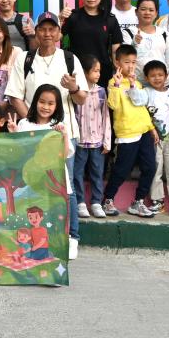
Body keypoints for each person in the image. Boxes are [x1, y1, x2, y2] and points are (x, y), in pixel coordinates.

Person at [15, 84, 77, 258]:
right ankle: (32, 250)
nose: (45, 107)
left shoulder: (58, 126)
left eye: (51, 103)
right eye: (42, 102)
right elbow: (20, 151)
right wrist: (13, 134)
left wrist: (64, 135)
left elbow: (64, 154)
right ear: (35, 102)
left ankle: (61, 248)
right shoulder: (24, 124)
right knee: (33, 214)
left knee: (54, 216)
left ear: (57, 106)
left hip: (54, 181)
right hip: (33, 181)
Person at [101, 46, 159, 219]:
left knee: (150, 167)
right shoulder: (113, 83)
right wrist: (117, 85)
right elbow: (113, 105)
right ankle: (107, 199)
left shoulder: (137, 82)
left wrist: (151, 128)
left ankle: (138, 202)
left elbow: (141, 105)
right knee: (122, 169)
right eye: (127, 62)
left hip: (143, 132)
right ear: (117, 62)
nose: (131, 66)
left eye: (133, 62)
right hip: (127, 133)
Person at [5, 12, 88, 132]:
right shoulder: (24, 59)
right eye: (42, 29)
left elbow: (81, 100)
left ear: (59, 33)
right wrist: (34, 125)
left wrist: (73, 88)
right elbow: (15, 97)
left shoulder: (70, 59)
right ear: (36, 32)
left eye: (52, 29)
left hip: (65, 133)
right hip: (33, 134)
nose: (47, 34)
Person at [59, 0, 122, 85]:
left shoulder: (110, 19)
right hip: (77, 69)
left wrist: (118, 70)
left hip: (102, 72)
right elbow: (56, 37)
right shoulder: (73, 16)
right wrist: (60, 20)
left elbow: (116, 49)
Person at [72, 55, 110, 220]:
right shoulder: (76, 92)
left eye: (99, 71)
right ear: (85, 72)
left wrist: (107, 140)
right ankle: (80, 202)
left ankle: (96, 202)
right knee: (77, 173)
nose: (98, 74)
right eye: (95, 71)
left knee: (97, 173)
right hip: (79, 141)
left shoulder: (101, 91)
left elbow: (106, 116)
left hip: (97, 142)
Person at [143, 60, 169, 215]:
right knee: (155, 169)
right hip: (153, 139)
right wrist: (152, 129)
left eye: (160, 75)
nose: (157, 78)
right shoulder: (146, 92)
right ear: (146, 78)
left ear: (167, 76)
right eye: (152, 76)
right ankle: (157, 200)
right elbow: (143, 113)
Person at [123, 0, 167, 81]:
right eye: (143, 9)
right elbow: (125, 58)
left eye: (151, 10)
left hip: (160, 83)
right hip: (135, 83)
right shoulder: (128, 33)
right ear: (136, 12)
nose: (147, 13)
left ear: (156, 13)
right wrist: (134, 43)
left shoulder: (164, 34)